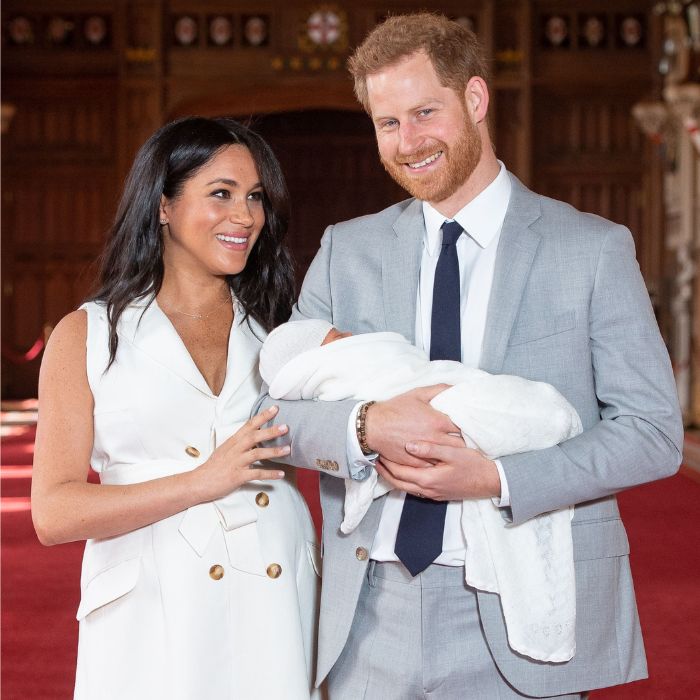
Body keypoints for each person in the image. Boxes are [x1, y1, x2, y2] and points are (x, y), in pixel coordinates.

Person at [255, 12, 684, 700]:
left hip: (518, 605)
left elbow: (654, 434)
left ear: (475, 100)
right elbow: (276, 412)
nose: (408, 141)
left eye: (425, 112)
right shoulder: (348, 250)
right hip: (369, 611)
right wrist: (365, 427)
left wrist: (497, 478)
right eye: (387, 123)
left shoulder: (591, 249)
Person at [31, 116, 321, 700]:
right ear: (163, 204)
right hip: (152, 609)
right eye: (221, 194)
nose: (245, 216)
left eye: (255, 197)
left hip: (276, 587)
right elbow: (53, 513)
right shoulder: (87, 334)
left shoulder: (280, 330)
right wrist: (200, 482)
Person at [260, 318, 582, 663]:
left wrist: (497, 478)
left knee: (506, 407)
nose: (351, 336)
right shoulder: (335, 272)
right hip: (372, 593)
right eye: (339, 338)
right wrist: (366, 426)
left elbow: (644, 426)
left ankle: (547, 416)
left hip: (487, 581)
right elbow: (270, 417)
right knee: (493, 412)